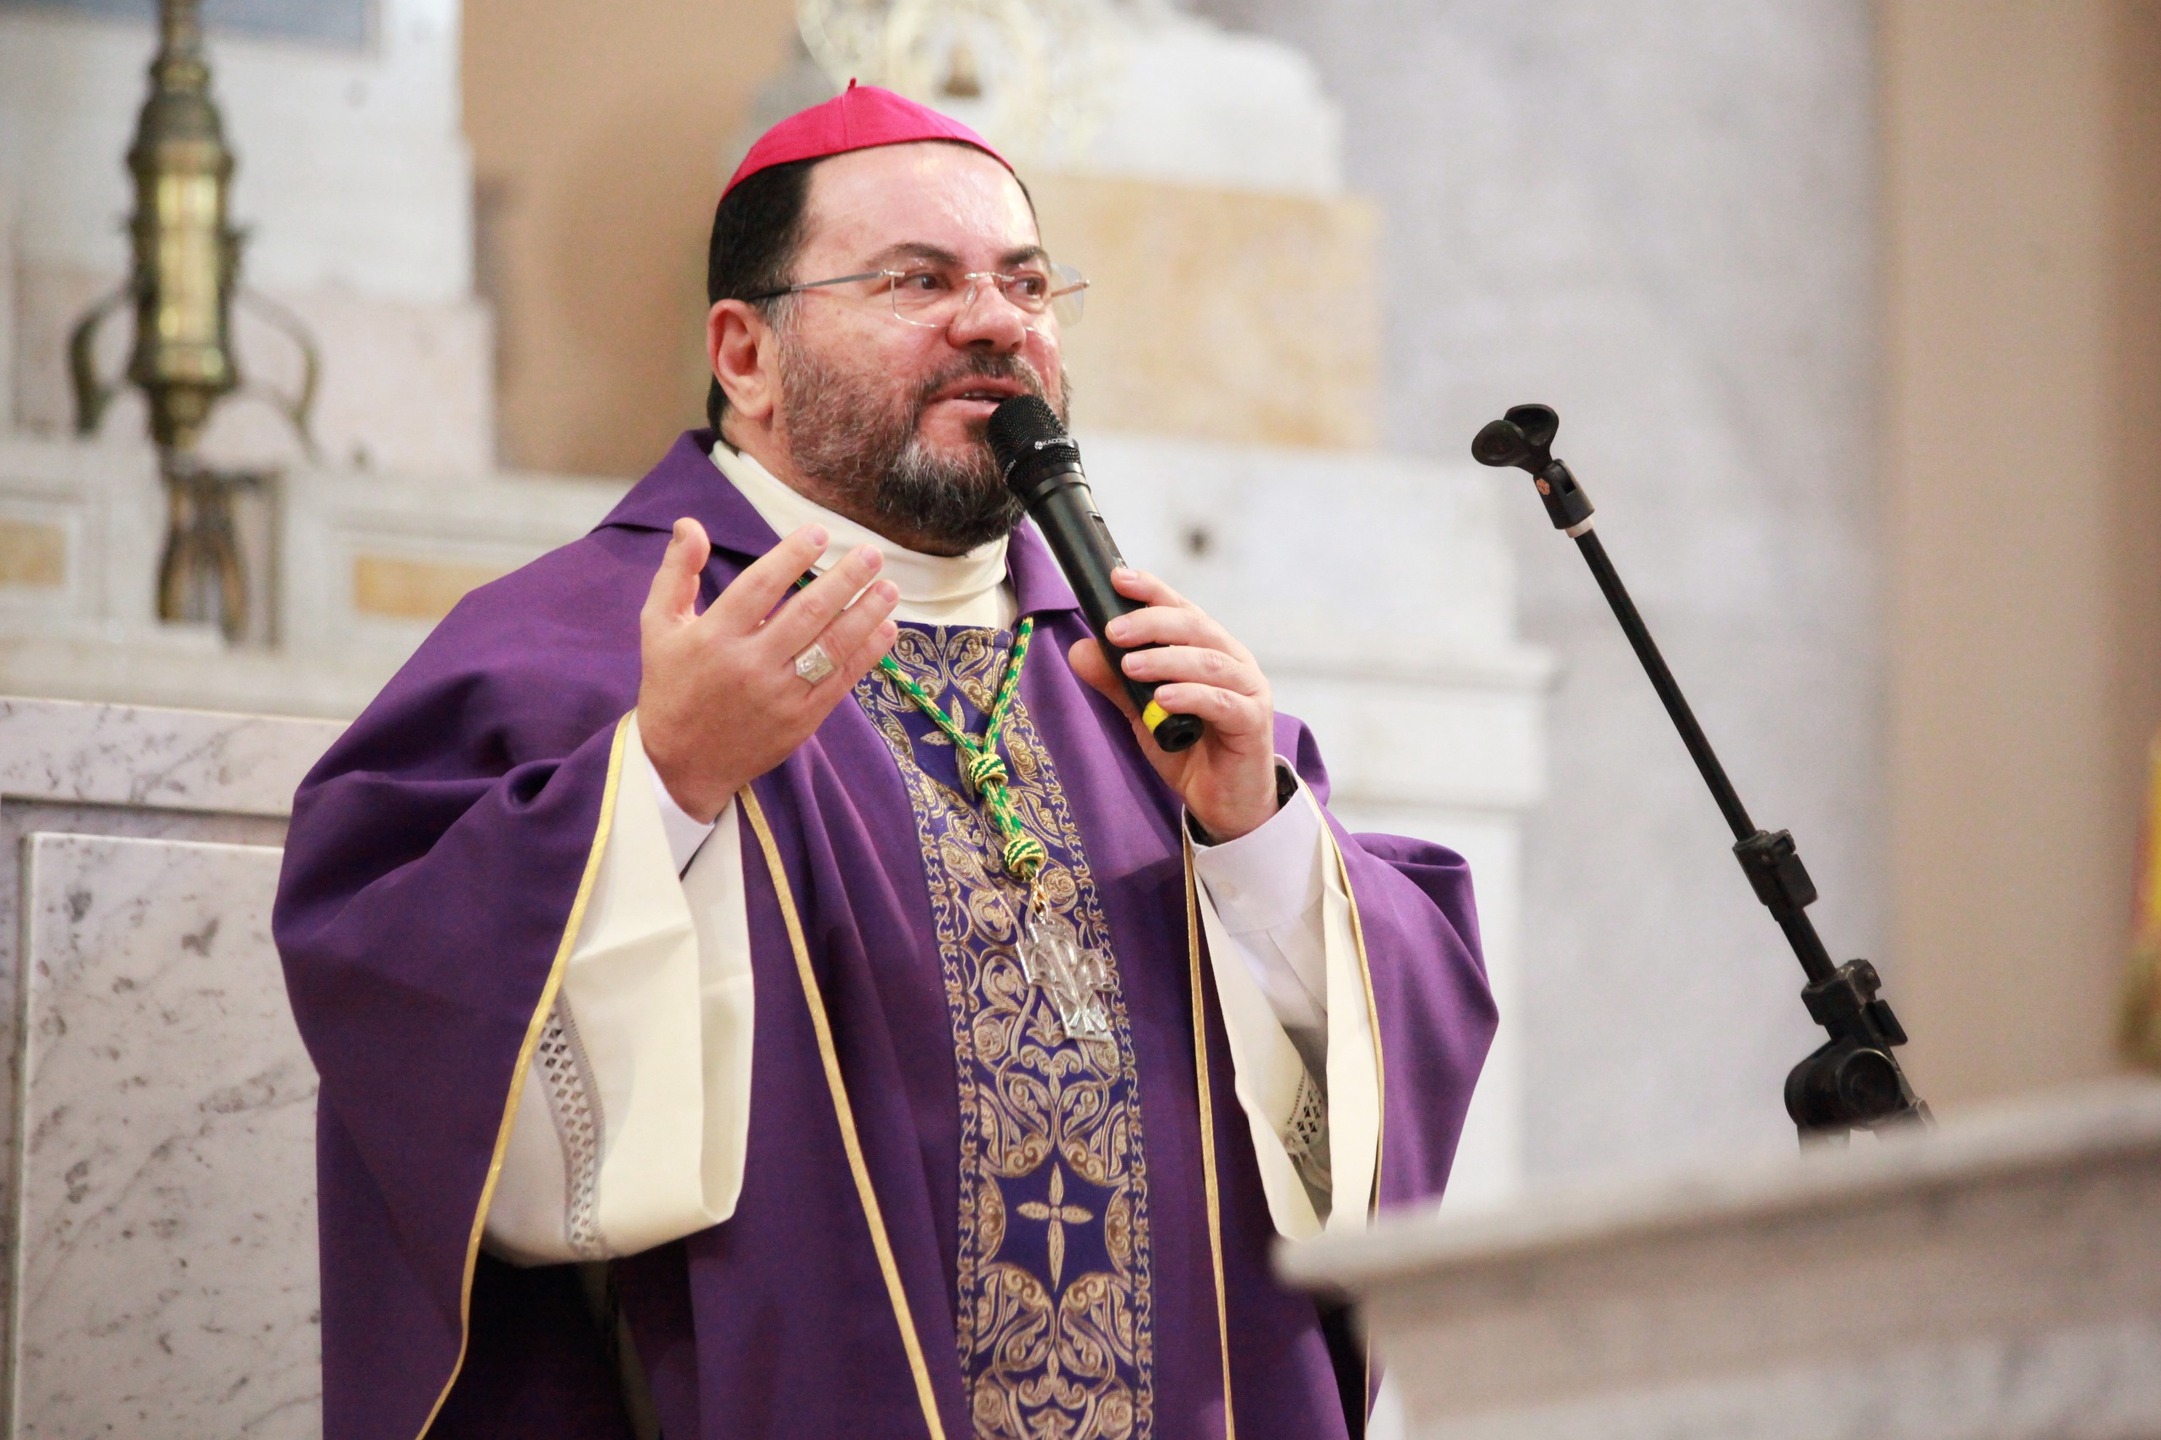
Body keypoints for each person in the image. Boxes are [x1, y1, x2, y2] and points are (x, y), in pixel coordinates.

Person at [274, 83, 1496, 1440]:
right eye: (920, 279)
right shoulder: (576, 654)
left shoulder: (1134, 673)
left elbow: (1375, 1112)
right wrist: (659, 788)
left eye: (1025, 284)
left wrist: (1256, 846)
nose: (995, 321)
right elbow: (413, 1019)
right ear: (745, 354)